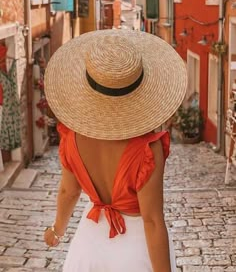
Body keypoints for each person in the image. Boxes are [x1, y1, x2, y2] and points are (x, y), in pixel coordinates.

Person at [44, 29, 187, 272]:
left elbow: (69, 192)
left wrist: (57, 230)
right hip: (135, 253)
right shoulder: (147, 149)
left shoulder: (71, 137)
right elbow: (152, 221)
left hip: (89, 246)